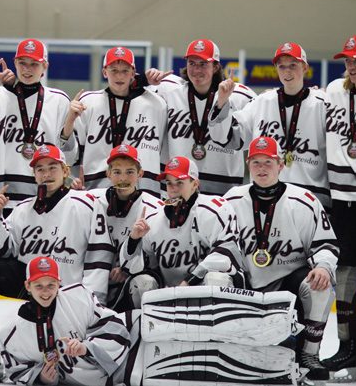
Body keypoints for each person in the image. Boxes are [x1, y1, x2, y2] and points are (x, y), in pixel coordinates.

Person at [0, 39, 74, 289]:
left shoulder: (58, 100)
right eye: (23, 63)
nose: (28, 69)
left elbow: (69, 153)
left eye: (34, 64)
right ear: (15, 63)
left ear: (45, 66)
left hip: (39, 205)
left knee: (39, 273)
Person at [224, 136, 338, 384]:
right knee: (217, 275)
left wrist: (323, 267)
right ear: (248, 164)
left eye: (268, 162)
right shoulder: (231, 199)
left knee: (319, 284)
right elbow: (217, 244)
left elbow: (327, 244)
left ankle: (310, 354)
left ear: (280, 165)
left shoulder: (303, 201)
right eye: (256, 163)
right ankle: (223, 351)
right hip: (245, 285)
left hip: (289, 287)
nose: (262, 168)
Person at [209, 42, 330, 208]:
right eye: (282, 66)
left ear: (305, 67)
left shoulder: (322, 104)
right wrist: (222, 102)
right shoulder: (262, 102)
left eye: (293, 65)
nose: (287, 71)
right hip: (266, 198)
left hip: (311, 200)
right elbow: (230, 138)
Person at [0, 144, 112, 302]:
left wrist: (93, 300)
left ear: (65, 171)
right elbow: (3, 251)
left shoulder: (87, 204)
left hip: (70, 295)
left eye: (53, 168)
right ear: (34, 174)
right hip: (31, 291)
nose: (46, 174)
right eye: (40, 169)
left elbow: (99, 254)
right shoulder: (22, 209)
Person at [321, 34, 356, 382]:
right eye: (347, 60)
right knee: (345, 279)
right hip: (341, 202)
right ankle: (348, 350)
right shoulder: (332, 92)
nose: (351, 65)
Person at [120, 156, 245, 305]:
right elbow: (132, 268)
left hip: (205, 287)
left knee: (216, 279)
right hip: (172, 291)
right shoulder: (153, 218)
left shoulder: (216, 208)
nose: (173, 189)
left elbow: (226, 256)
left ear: (195, 184)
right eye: (169, 183)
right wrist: (134, 239)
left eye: (179, 182)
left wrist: (189, 282)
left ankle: (219, 328)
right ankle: (152, 327)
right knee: (141, 282)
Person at [0, 256, 131, 386]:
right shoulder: (12, 333)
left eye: (51, 284)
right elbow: (12, 372)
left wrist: (86, 348)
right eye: (39, 286)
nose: (45, 292)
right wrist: (40, 378)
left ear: (59, 282)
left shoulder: (79, 297)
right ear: (28, 286)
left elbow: (118, 328)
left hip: (128, 363)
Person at [61, 46, 169, 196]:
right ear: (104, 72)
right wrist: (70, 120)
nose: (120, 76)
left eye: (125, 70)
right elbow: (70, 155)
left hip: (144, 192)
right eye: (114, 70)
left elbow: (164, 149)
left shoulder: (156, 104)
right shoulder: (88, 103)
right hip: (97, 191)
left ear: (133, 72)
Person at [155, 39, 257, 195]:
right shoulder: (167, 91)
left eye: (203, 64)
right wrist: (146, 80)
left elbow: (267, 114)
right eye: (192, 63)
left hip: (224, 192)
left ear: (216, 67)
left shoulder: (240, 96)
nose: (196, 70)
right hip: (176, 189)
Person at [88, 144, 162, 310]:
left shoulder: (155, 207)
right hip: (96, 277)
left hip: (132, 279)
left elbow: (155, 257)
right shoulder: (91, 201)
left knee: (144, 283)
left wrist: (127, 268)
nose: (123, 178)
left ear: (140, 174)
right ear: (108, 174)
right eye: (117, 172)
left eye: (130, 172)